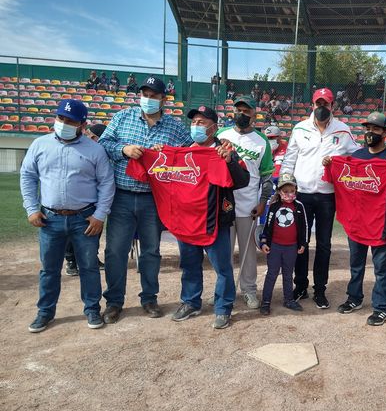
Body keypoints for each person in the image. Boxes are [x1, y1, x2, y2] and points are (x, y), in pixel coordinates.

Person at [99, 75, 193, 324]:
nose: (148, 99)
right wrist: (123, 150)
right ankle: (114, 302)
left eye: (154, 96)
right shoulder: (123, 117)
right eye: (145, 94)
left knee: (151, 251)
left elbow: (190, 154)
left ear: (163, 98)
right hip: (121, 195)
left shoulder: (174, 126)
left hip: (153, 199)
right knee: (115, 251)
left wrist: (170, 157)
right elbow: (103, 143)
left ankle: (149, 298)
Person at [20, 99, 115, 332]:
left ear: (82, 125)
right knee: (49, 269)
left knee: (89, 267)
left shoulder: (95, 149)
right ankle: (45, 312)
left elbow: (106, 183)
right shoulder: (40, 144)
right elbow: (27, 176)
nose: (63, 123)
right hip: (49, 218)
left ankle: (92, 309)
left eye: (70, 121)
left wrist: (100, 215)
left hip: (84, 219)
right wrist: (32, 208)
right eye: (61, 118)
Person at [324, 112, 386, 326]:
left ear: (385, 132)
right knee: (356, 264)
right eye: (368, 128)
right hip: (356, 220)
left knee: (380, 268)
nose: (370, 133)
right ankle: (354, 298)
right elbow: (339, 177)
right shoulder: (356, 156)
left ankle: (380, 307)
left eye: (375, 129)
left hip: (380, 221)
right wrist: (329, 163)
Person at [167, 105, 250, 329]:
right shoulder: (183, 150)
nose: (196, 125)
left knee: (222, 267)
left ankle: (223, 308)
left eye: (201, 122)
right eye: (193, 122)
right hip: (187, 219)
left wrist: (230, 160)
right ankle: (191, 302)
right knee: (190, 264)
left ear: (213, 127)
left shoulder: (225, 149)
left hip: (215, 220)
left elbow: (243, 180)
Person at [280, 87, 360, 309]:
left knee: (324, 244)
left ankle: (320, 290)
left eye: (326, 104)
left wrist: (338, 161)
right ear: (312, 105)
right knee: (301, 243)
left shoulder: (343, 130)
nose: (321, 108)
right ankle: (301, 286)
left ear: (332, 106)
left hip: (328, 196)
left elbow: (356, 157)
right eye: (318, 104)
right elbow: (289, 160)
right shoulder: (300, 128)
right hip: (302, 194)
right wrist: (285, 187)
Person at [215, 96, 274, 309]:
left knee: (249, 252)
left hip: (249, 205)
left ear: (254, 114)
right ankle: (225, 291)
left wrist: (263, 202)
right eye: (238, 109)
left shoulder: (261, 141)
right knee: (224, 252)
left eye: (246, 110)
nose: (242, 113)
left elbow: (267, 176)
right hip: (224, 204)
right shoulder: (221, 135)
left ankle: (249, 290)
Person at [259, 173, 307, 315]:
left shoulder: (299, 206)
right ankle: (266, 301)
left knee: (288, 274)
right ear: (279, 191)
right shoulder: (273, 206)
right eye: (285, 191)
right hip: (275, 247)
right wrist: (263, 242)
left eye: (292, 191)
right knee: (272, 274)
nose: (289, 194)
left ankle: (289, 299)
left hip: (291, 247)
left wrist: (302, 243)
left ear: (296, 191)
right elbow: (267, 225)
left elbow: (304, 226)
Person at [65, 123, 108, 276]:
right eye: (89, 134)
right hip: (78, 199)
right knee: (72, 229)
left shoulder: (102, 152)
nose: (89, 137)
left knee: (95, 230)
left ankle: (92, 257)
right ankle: (71, 260)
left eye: (93, 136)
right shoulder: (79, 148)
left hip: (96, 201)